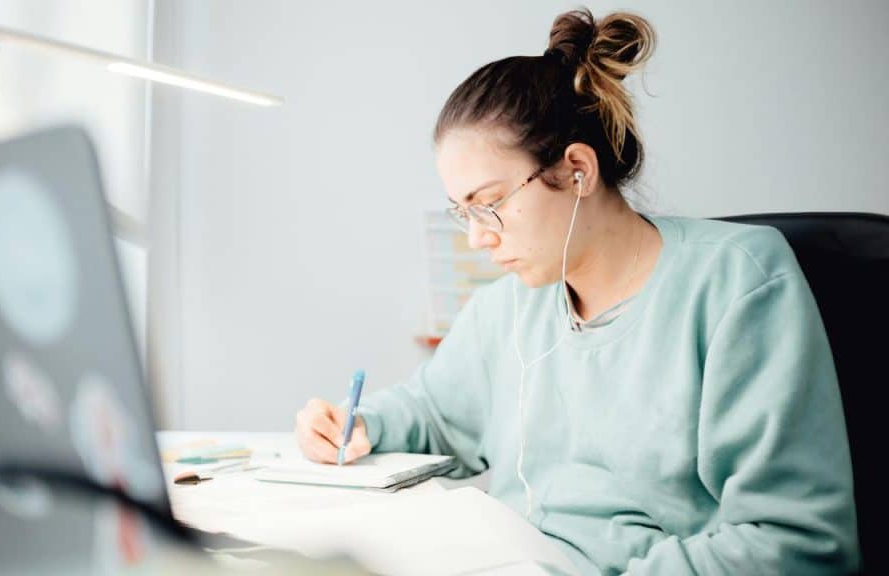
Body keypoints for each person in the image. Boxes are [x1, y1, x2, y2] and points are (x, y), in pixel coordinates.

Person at [294, 8, 859, 574]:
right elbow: (434, 413)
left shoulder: (738, 282)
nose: (476, 239)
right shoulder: (509, 304)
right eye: (462, 212)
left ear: (578, 171)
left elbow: (794, 543)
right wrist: (358, 423)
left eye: (488, 204)